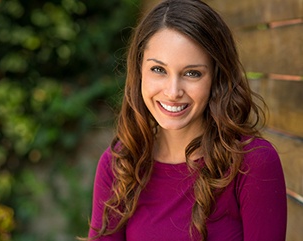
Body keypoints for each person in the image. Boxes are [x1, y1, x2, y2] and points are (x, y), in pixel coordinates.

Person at [85, 0, 287, 240]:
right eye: (158, 70)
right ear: (139, 71)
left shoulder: (253, 163)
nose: (173, 91)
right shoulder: (120, 164)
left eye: (192, 73)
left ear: (216, 77)